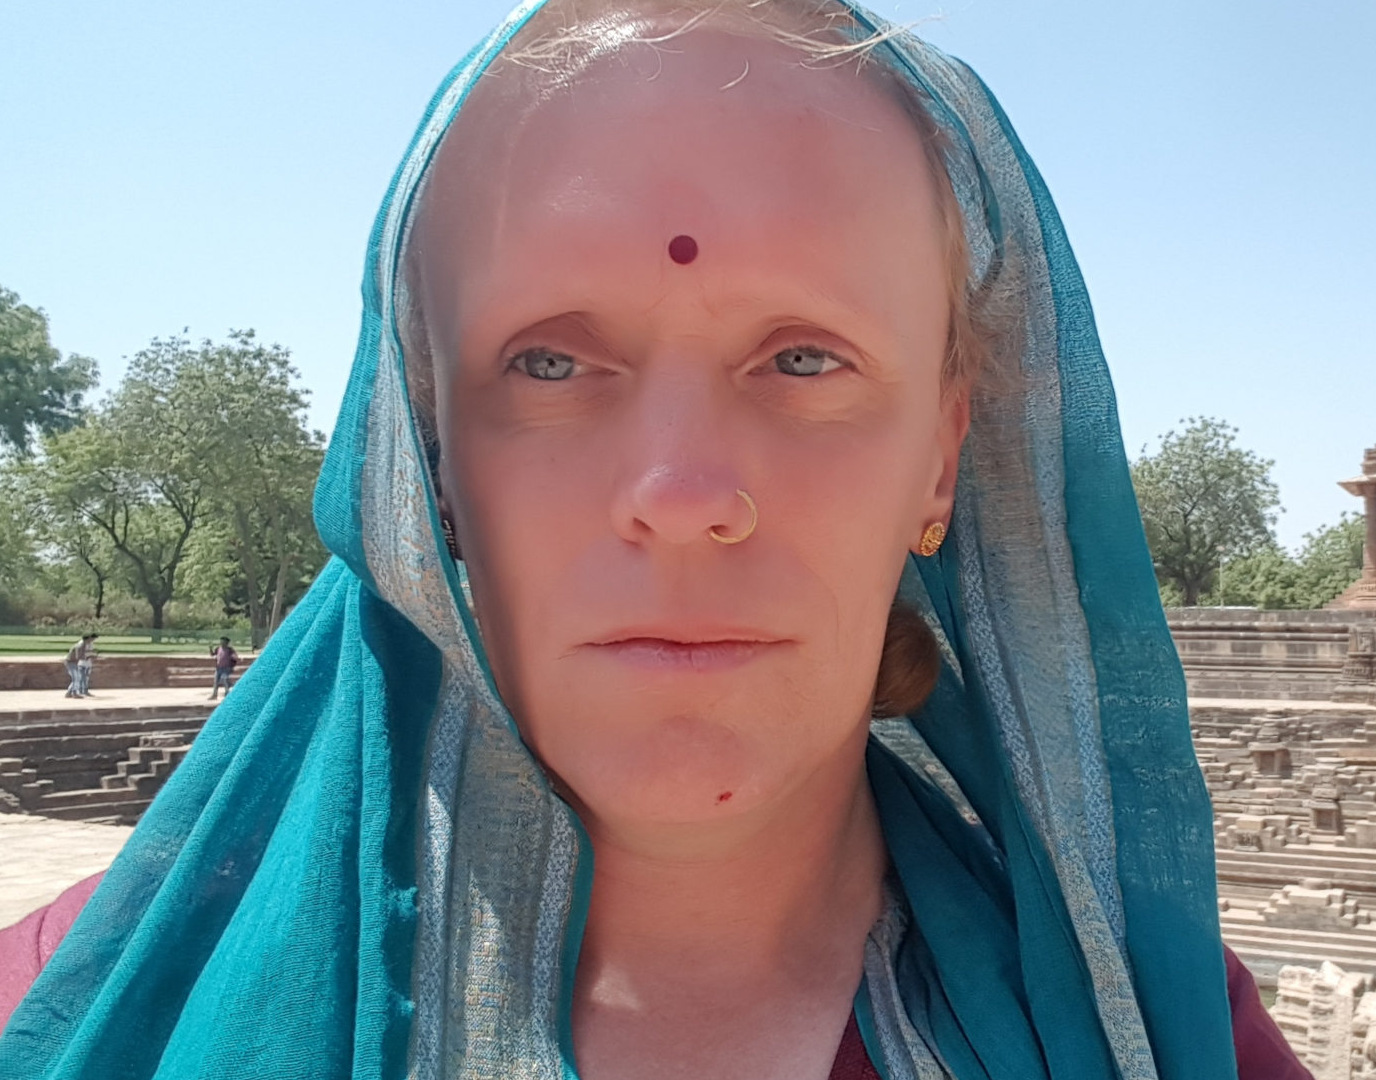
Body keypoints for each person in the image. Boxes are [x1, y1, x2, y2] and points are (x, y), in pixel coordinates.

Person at [0, 4, 1308, 1078]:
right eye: (552, 362)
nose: (682, 493)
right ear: (427, 455)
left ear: (941, 456)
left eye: (803, 357)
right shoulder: (63, 1005)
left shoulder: (1159, 1036)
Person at [60, 634, 96, 700]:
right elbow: (78, 656)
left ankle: (69, 693)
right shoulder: (80, 646)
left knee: (77, 678)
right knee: (76, 678)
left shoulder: (84, 645)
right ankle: (74, 693)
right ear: (87, 639)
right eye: (90, 639)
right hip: (70, 662)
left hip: (74, 663)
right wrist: (88, 657)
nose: (91, 641)